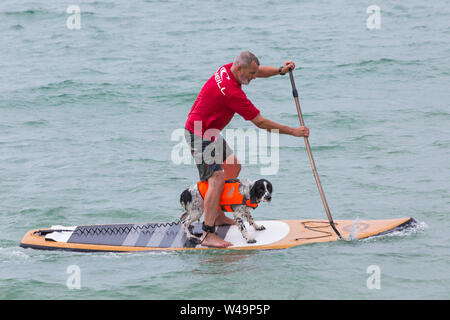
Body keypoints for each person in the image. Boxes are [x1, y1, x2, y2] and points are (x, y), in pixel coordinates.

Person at [184, 51, 309, 247]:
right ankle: (207, 235)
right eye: (250, 74)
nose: (253, 77)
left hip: (210, 131)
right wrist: (293, 132)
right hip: (198, 133)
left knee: (233, 167)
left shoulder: (229, 69)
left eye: (254, 73)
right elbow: (260, 122)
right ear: (240, 68)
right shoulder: (233, 93)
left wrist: (279, 71)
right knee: (216, 179)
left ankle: (217, 216)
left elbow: (258, 71)